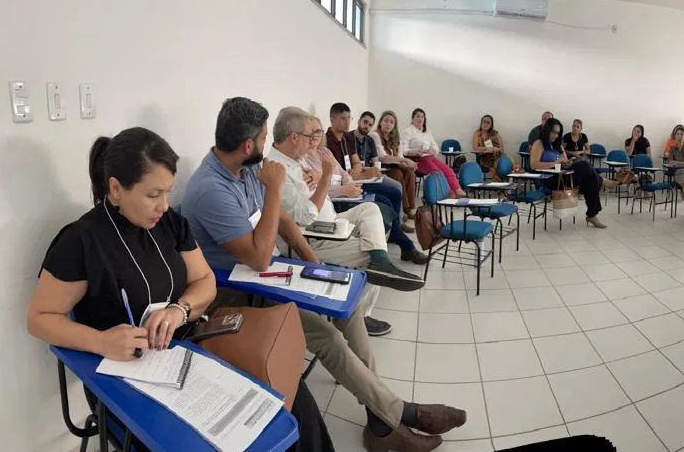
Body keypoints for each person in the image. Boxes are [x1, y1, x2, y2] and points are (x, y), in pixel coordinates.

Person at [180, 97, 465, 451]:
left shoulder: (245, 169)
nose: (269, 144)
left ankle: (381, 419)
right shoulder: (212, 189)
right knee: (327, 337)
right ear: (248, 145)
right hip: (238, 294)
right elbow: (257, 255)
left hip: (268, 276)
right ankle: (396, 415)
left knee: (348, 300)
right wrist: (274, 190)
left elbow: (283, 223)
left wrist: (315, 265)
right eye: (265, 137)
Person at [27, 127, 335, 451]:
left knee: (291, 400)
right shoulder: (81, 241)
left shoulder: (170, 223)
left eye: (168, 192)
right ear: (116, 189)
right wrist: (100, 341)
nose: (163, 205)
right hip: (126, 376)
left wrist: (180, 310)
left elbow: (205, 281)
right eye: (152, 195)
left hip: (190, 350)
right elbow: (40, 318)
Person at [303, 115, 429, 267]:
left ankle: (393, 238)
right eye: (310, 131)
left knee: (388, 198)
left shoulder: (325, 152)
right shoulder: (303, 160)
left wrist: (351, 185)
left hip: (350, 191)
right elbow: (316, 191)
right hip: (335, 200)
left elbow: (344, 173)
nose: (314, 135)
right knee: (383, 203)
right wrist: (342, 189)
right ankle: (402, 244)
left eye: (318, 131)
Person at [325, 103, 410, 219]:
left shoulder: (347, 138)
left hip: (358, 178)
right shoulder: (326, 142)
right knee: (387, 199)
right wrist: (362, 175)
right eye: (343, 118)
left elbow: (357, 162)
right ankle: (394, 231)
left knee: (395, 192)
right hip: (347, 185)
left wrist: (359, 171)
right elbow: (337, 177)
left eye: (349, 118)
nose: (347, 122)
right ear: (332, 120)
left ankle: (397, 227)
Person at [529, 117, 618, 228]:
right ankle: (604, 183)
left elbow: (564, 160)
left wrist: (566, 162)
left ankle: (592, 214)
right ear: (547, 130)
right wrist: (554, 163)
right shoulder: (539, 143)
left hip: (564, 175)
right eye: (553, 132)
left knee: (590, 181)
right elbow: (534, 164)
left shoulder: (557, 145)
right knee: (584, 165)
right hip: (550, 180)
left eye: (557, 133)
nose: (555, 135)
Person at [367, 111, 423, 217]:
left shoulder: (396, 138)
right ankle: (404, 208)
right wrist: (406, 161)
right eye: (386, 121)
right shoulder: (375, 135)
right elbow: (383, 158)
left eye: (392, 122)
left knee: (410, 173)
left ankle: (411, 208)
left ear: (394, 125)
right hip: (381, 168)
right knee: (397, 173)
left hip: (394, 167)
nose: (388, 124)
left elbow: (400, 158)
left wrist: (408, 165)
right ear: (380, 123)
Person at [399, 108, 465, 197]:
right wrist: (415, 152)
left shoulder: (427, 132)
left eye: (422, 117)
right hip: (416, 159)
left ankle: (458, 190)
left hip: (429, 157)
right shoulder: (407, 132)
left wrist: (432, 150)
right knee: (438, 173)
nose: (420, 119)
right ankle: (449, 193)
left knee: (448, 170)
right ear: (412, 118)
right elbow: (403, 150)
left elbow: (436, 147)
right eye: (418, 116)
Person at [472, 114, 505, 181]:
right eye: (484, 122)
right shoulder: (477, 133)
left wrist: (493, 149)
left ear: (491, 125)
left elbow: (502, 149)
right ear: (481, 123)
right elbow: (475, 148)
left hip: (496, 155)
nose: (485, 124)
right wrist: (487, 148)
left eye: (488, 122)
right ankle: (501, 186)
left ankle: (504, 183)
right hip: (483, 157)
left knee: (506, 162)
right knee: (494, 166)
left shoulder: (495, 134)